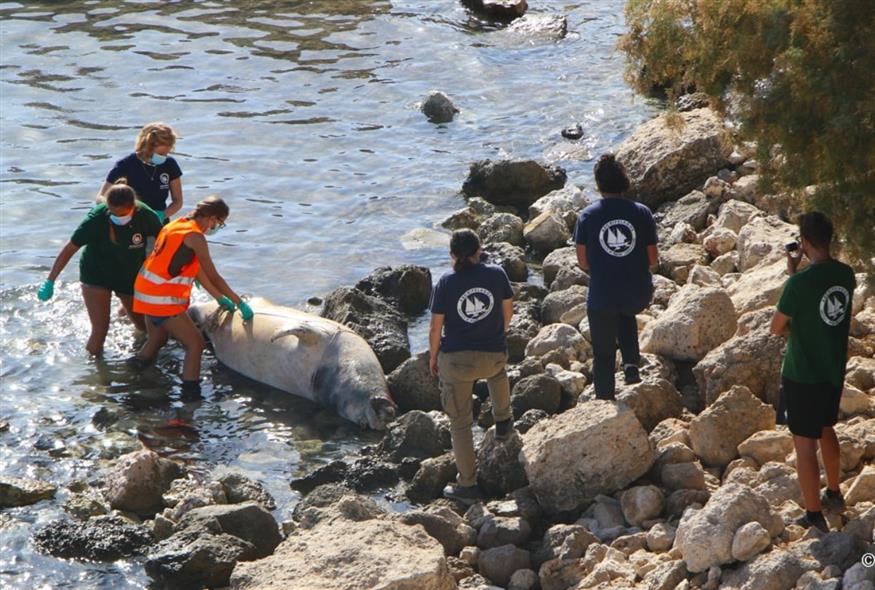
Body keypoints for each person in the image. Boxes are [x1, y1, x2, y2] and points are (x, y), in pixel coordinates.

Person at [770, 211, 855, 533]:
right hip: (832, 368)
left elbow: (776, 327)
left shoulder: (799, 284)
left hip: (802, 373)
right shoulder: (846, 275)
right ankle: (834, 492)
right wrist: (797, 274)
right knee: (826, 427)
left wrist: (793, 275)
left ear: (804, 243)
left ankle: (813, 514)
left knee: (804, 445)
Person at [132, 196, 253, 397]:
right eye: (219, 223)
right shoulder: (196, 237)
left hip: (144, 291)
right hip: (161, 298)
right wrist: (240, 303)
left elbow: (197, 272)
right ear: (212, 218)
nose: (216, 228)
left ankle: (132, 371)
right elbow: (214, 276)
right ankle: (191, 396)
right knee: (195, 344)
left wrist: (220, 299)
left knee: (158, 337)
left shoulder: (177, 225)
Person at [429, 229, 515, 504]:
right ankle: (503, 419)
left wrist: (433, 357)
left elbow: (435, 327)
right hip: (493, 358)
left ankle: (467, 485)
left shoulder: (446, 282)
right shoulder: (496, 274)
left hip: (458, 363)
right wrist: (496, 334)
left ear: (452, 255)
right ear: (480, 251)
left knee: (461, 424)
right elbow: (508, 311)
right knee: (498, 372)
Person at [38, 179, 163, 355]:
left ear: (133, 207)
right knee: (100, 330)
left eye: (123, 214)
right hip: (96, 274)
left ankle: (138, 360)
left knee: (143, 326)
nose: (118, 218)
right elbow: (70, 248)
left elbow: (165, 243)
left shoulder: (146, 215)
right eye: (114, 213)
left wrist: (191, 271)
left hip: (129, 275)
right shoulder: (96, 218)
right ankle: (96, 375)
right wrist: (50, 280)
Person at [574, 153, 658, 400]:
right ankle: (631, 364)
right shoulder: (642, 213)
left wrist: (606, 266)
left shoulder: (587, 216)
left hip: (602, 298)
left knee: (603, 353)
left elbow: (582, 262)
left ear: (599, 185)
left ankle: (604, 399)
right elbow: (653, 258)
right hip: (637, 293)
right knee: (625, 310)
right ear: (624, 181)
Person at [99, 122, 183, 223]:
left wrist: (163, 215)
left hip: (158, 221)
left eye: (167, 153)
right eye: (161, 154)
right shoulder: (126, 164)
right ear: (147, 146)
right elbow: (101, 197)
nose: (164, 157)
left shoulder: (170, 164)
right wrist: (119, 212)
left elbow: (178, 201)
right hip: (131, 221)